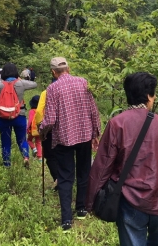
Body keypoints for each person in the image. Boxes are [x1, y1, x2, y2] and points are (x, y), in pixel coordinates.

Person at [86, 72, 158, 246]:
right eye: (154, 93)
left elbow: (102, 166)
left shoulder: (117, 124)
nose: (154, 97)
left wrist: (90, 202)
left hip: (129, 201)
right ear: (149, 96)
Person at [39, 57, 101, 232]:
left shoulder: (53, 88)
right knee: (84, 172)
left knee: (66, 176)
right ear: (69, 68)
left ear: (53, 72)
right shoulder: (83, 82)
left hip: (64, 138)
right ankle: (81, 208)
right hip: (84, 135)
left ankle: (66, 220)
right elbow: (93, 110)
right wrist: (96, 133)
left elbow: (50, 119)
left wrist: (41, 130)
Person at [0, 62, 37, 167]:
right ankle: (25, 157)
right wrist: (21, 81)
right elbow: (35, 84)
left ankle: (7, 165)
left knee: (5, 142)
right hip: (19, 115)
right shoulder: (21, 83)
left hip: (4, 117)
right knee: (22, 139)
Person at [27, 95, 42, 160]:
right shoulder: (41, 110)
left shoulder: (32, 111)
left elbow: (30, 120)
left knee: (29, 140)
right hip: (39, 129)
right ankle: (39, 157)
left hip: (32, 130)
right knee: (38, 142)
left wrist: (27, 128)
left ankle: (34, 148)